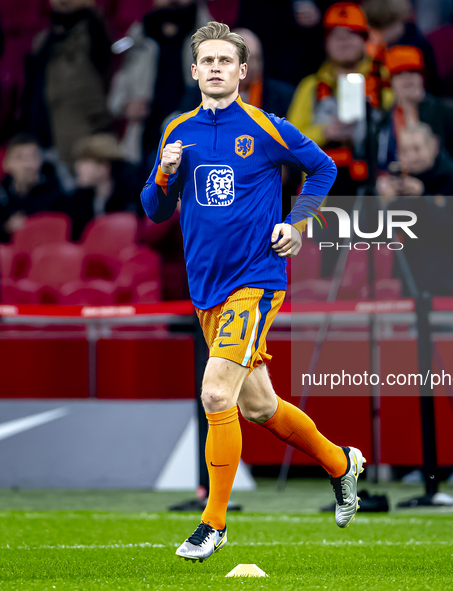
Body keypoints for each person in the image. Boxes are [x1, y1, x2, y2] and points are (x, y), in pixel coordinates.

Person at [141, 21, 365, 563]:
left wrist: (298, 221)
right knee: (260, 406)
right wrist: (166, 175)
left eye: (226, 61)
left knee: (216, 394)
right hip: (207, 289)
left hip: (256, 281)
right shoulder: (177, 131)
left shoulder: (266, 126)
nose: (216, 68)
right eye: (207, 61)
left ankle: (212, 523)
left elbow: (323, 167)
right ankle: (342, 463)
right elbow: (153, 210)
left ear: (243, 71)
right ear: (195, 71)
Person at [287, 2, 391, 196]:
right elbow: (288, 142)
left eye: (351, 34)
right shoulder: (310, 87)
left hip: (378, 194)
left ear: (364, 40)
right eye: (336, 36)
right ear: (326, 42)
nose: (343, 42)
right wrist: (325, 132)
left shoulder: (384, 83)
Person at [376, 123, 453, 296]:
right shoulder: (399, 186)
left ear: (433, 147)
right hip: (415, 289)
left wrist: (422, 197)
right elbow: (379, 236)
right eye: (405, 151)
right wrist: (383, 204)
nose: (412, 157)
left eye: (417, 148)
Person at [19, 0, 112, 167]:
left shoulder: (91, 33)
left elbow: (103, 48)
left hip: (77, 130)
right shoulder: (42, 38)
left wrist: (86, 10)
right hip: (40, 133)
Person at [61, 134, 141, 240]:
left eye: (84, 161)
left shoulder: (129, 198)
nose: (77, 168)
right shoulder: (79, 199)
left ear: (104, 167)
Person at [0, 133, 64, 242]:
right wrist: (5, 228)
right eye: (19, 158)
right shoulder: (3, 195)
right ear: (6, 163)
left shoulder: (58, 195)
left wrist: (30, 225)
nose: (28, 165)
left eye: (34, 156)